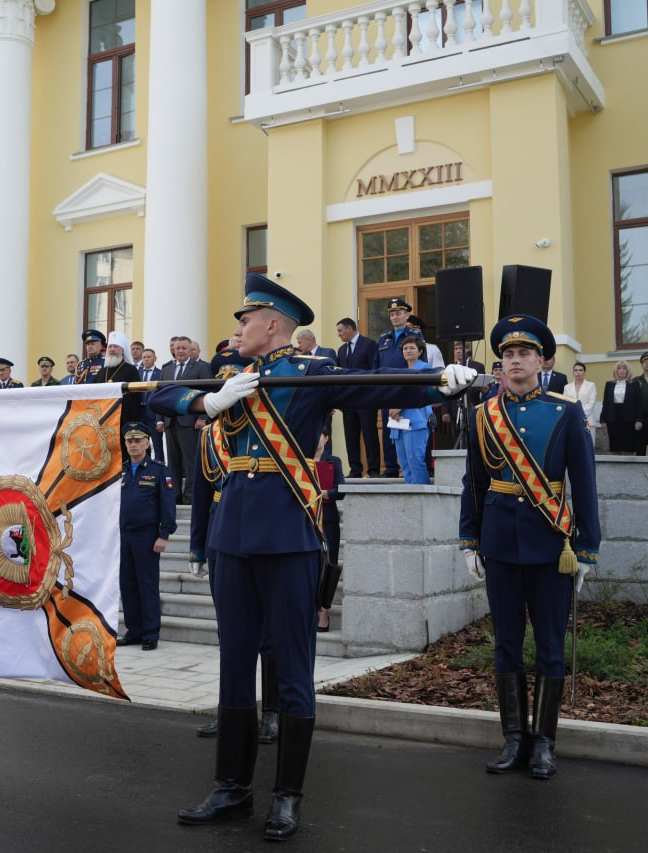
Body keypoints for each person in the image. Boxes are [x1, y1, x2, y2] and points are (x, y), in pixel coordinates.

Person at [156, 273, 476, 840]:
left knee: (294, 668)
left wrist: (437, 385)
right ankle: (231, 787)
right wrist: (207, 399)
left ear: (273, 325)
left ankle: (286, 795)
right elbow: (159, 394)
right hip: (233, 537)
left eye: (244, 320)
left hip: (287, 538)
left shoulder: (313, 374)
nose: (236, 329)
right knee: (234, 665)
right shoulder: (231, 377)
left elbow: (378, 388)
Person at [460, 313, 599, 781]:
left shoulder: (566, 411)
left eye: (524, 354)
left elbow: (584, 483)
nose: (514, 362)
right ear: (499, 365)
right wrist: (469, 540)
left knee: (550, 648)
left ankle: (544, 742)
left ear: (543, 360)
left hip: (550, 544)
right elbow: (474, 484)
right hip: (500, 543)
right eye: (507, 356)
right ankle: (514, 737)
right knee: (505, 646)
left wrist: (587, 548)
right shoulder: (484, 415)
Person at [116, 422, 177, 652]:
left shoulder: (158, 470)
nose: (133, 445)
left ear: (147, 443)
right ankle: (134, 631)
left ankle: (151, 633)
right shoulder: (120, 471)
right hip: (123, 536)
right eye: (129, 441)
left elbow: (167, 505)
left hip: (147, 535)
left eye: (138, 440)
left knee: (147, 584)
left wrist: (164, 534)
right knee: (128, 585)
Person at [159, 336, 212, 504]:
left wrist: (202, 417)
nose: (180, 351)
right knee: (173, 461)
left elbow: (207, 392)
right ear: (173, 350)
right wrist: (159, 419)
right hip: (170, 422)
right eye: (177, 348)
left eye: (183, 348)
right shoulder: (166, 369)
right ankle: (175, 495)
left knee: (190, 462)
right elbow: (160, 394)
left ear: (190, 350)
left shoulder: (200, 368)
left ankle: (190, 496)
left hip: (190, 421)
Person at [336, 318, 380, 478]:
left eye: (340, 330)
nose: (338, 334)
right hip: (348, 401)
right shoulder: (341, 350)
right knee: (351, 435)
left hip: (366, 399)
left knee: (369, 434)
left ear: (349, 329)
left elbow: (375, 370)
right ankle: (355, 469)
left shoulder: (369, 344)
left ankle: (374, 470)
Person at [374, 297, 413, 477]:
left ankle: (409, 468)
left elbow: (420, 364)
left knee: (408, 429)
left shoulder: (414, 336)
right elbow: (376, 365)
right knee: (389, 430)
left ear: (407, 315)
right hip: (386, 390)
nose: (395, 317)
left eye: (399, 313)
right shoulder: (384, 339)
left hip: (406, 389)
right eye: (392, 314)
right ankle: (390, 468)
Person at [388, 333, 432, 485]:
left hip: (416, 422)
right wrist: (393, 408)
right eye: (405, 348)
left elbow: (420, 392)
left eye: (412, 348)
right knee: (404, 463)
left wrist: (400, 406)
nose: (408, 350)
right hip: (399, 423)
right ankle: (410, 494)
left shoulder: (425, 368)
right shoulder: (400, 371)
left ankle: (422, 497)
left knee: (416, 461)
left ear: (420, 351)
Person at [313, 433, 345, 633]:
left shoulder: (333, 461)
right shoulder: (300, 457)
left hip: (328, 518)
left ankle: (324, 612)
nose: (317, 438)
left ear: (326, 438)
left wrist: (326, 493)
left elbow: (341, 489)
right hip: (307, 517)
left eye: (321, 435)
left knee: (329, 564)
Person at [600, 360, 641, 455]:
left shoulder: (634, 384)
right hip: (613, 418)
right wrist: (603, 420)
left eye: (624, 368)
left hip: (629, 419)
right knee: (615, 446)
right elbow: (605, 403)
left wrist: (639, 420)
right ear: (616, 371)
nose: (621, 370)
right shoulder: (609, 384)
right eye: (619, 368)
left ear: (628, 371)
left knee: (629, 447)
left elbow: (639, 403)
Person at [136, 348, 164, 462]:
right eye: (144, 357)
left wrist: (160, 419)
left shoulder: (160, 374)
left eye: (149, 357)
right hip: (140, 413)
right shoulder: (138, 373)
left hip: (154, 414)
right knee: (141, 441)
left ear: (155, 359)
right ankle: (145, 465)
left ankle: (160, 466)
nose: (146, 359)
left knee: (157, 443)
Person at [564, 363, 598, 442]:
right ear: (573, 372)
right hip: (572, 422)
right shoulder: (567, 387)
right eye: (575, 370)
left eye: (580, 370)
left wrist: (579, 414)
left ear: (584, 372)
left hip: (587, 421)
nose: (578, 372)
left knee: (588, 447)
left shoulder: (591, 385)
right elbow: (565, 403)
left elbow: (591, 403)